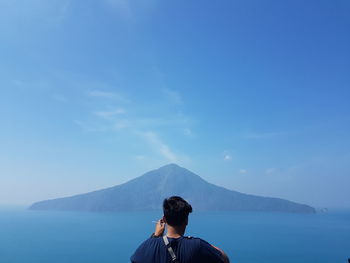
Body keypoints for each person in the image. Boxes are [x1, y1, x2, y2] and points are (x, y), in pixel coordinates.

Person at [130, 196, 230, 263]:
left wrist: (156, 236)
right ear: (186, 220)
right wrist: (207, 246)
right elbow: (225, 260)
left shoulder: (148, 245)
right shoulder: (197, 246)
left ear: (164, 219)